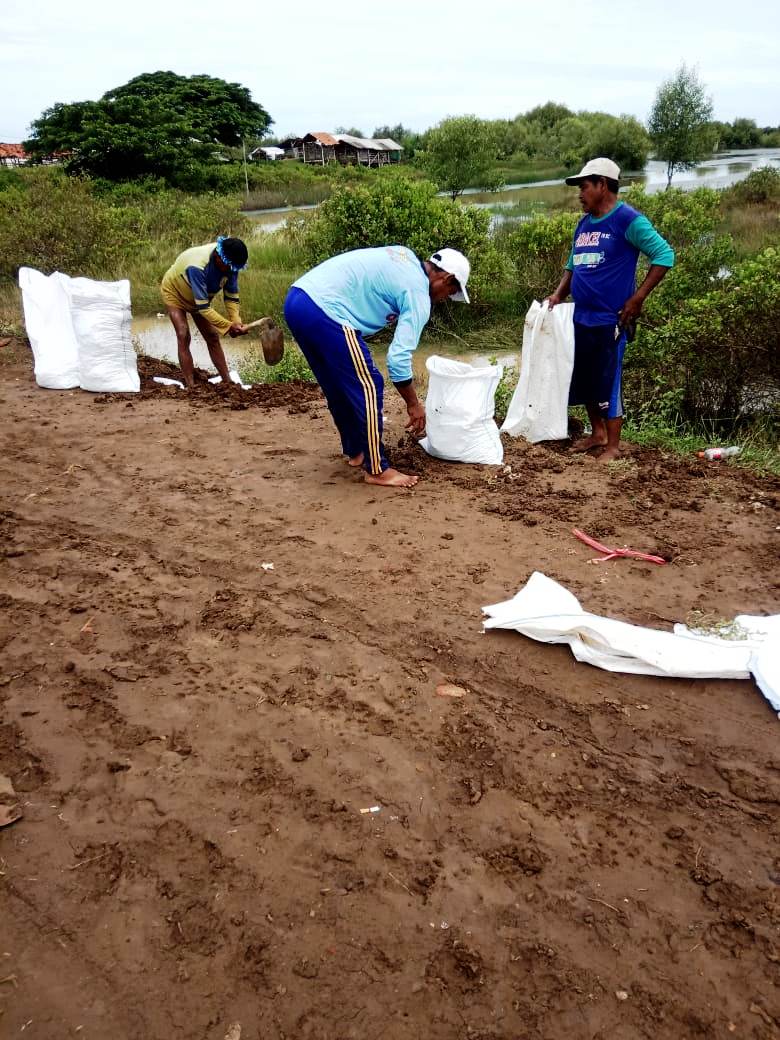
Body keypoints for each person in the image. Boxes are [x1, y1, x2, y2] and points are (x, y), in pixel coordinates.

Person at [284, 245, 471, 488]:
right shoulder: (418, 293)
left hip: (298, 300)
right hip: (327, 310)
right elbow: (398, 359)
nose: (445, 298)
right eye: (451, 291)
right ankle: (377, 469)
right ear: (446, 278)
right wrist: (414, 404)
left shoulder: (404, 257)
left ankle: (356, 452)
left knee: (338, 385)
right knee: (370, 385)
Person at [546, 158, 675, 461]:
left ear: (603, 185)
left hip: (612, 319)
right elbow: (572, 265)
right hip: (582, 317)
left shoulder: (628, 220)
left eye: (584, 187)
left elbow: (664, 255)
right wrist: (557, 295)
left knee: (609, 381)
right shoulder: (584, 223)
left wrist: (637, 299)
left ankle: (613, 446)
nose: (580, 194)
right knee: (587, 377)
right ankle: (597, 433)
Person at [160, 237, 250, 388]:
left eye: (234, 268)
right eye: (229, 267)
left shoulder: (231, 265)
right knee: (183, 334)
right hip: (175, 293)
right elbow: (203, 308)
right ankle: (191, 385)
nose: (231, 271)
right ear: (218, 257)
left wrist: (236, 321)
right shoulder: (197, 267)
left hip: (199, 297)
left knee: (212, 336)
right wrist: (228, 327)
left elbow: (231, 296)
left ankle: (227, 381)